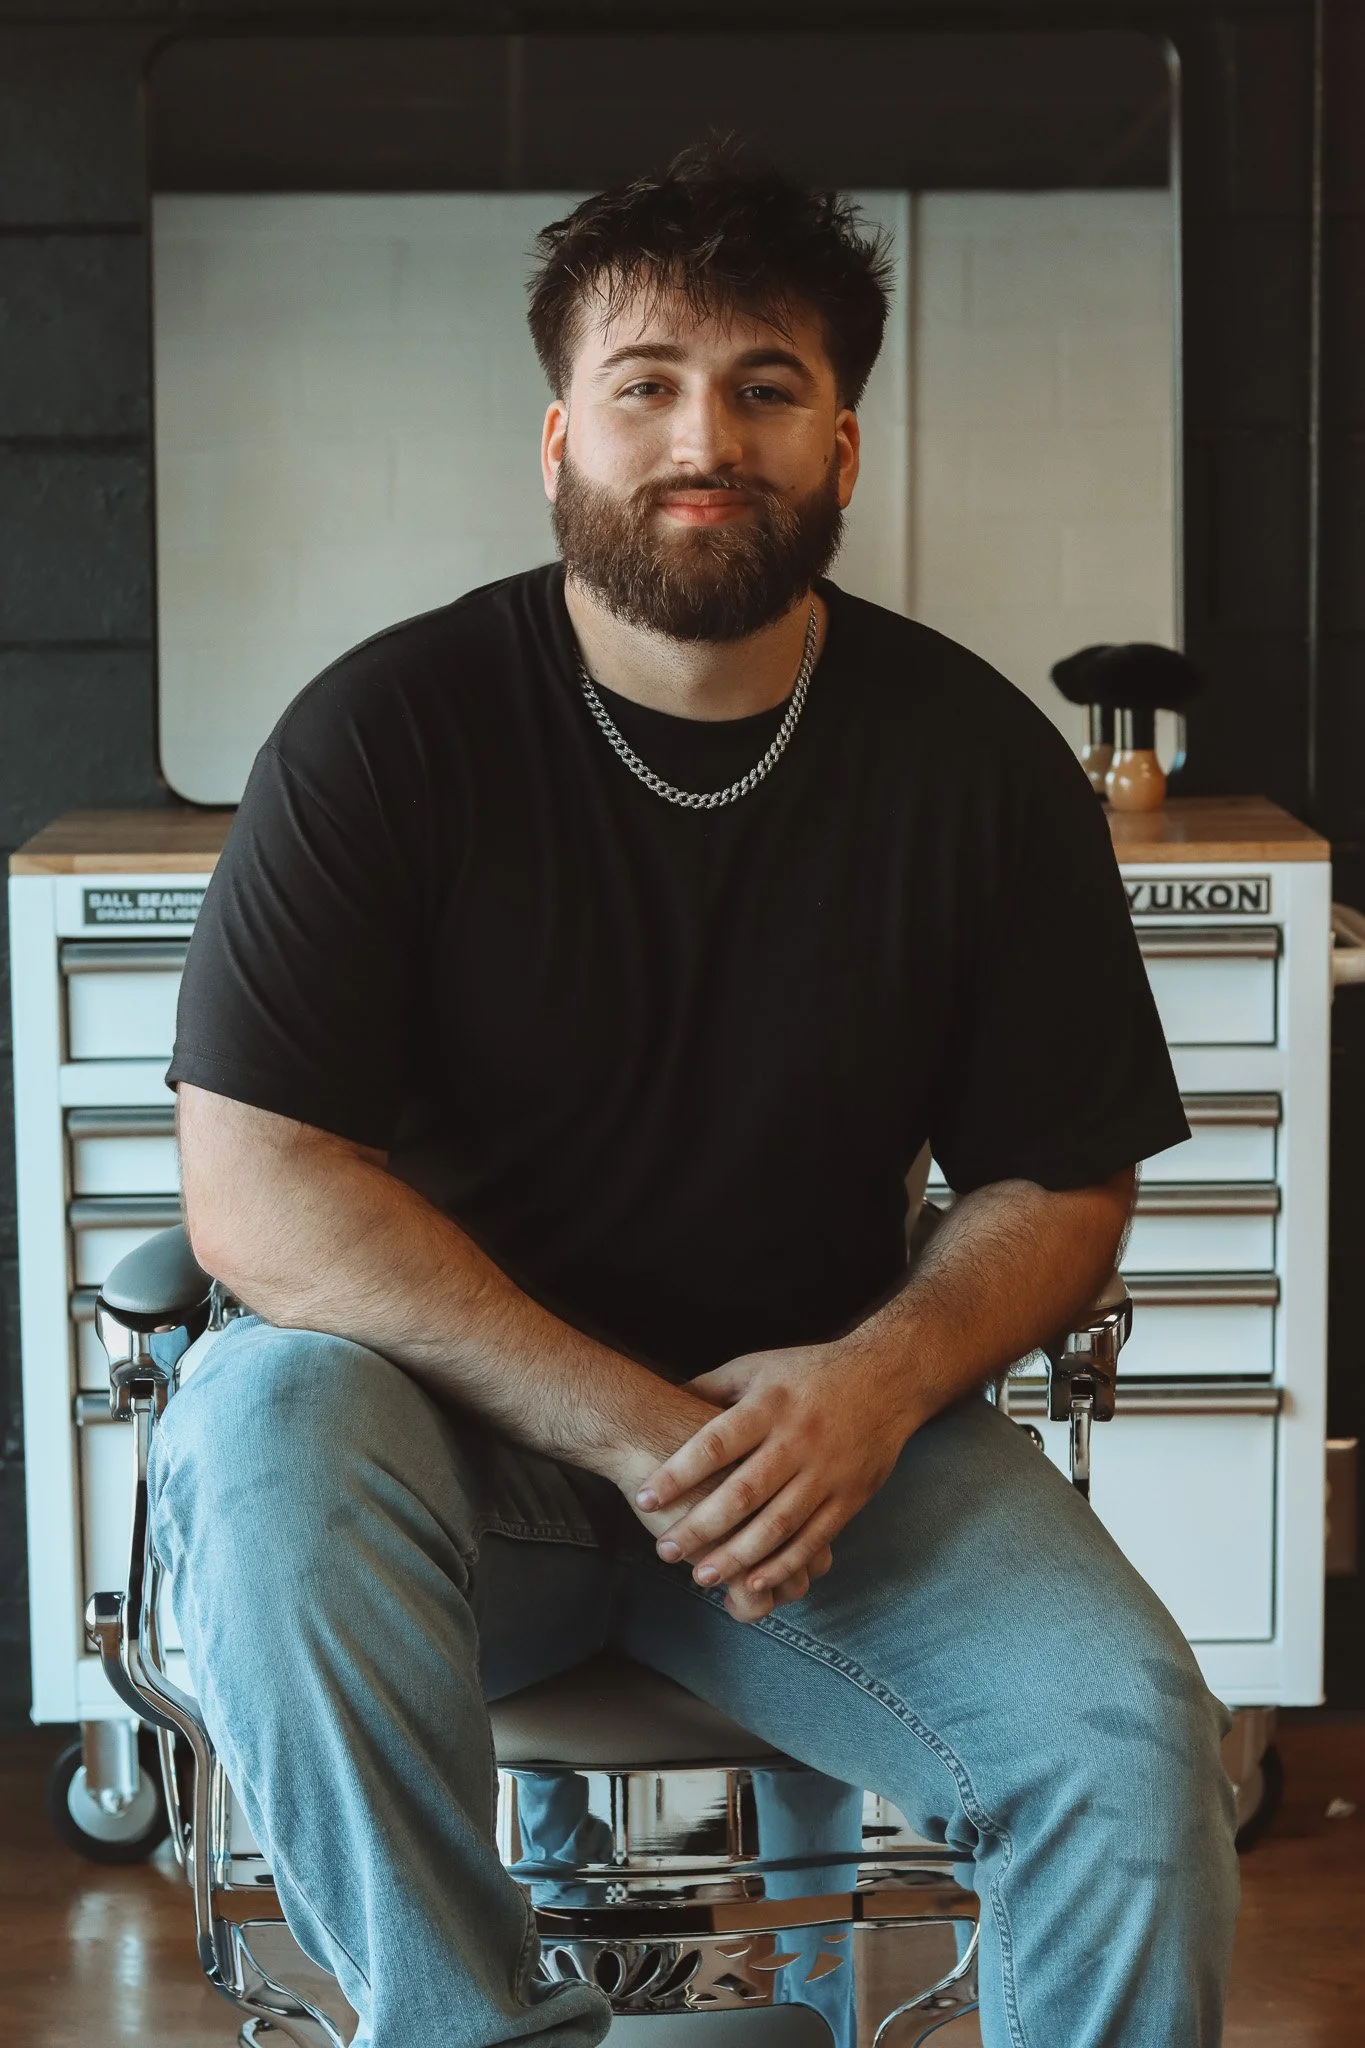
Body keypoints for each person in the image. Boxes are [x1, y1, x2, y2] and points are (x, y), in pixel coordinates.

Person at [151, 140, 1238, 2048]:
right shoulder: (383, 736)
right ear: (559, 437)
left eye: (766, 387)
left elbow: (1059, 1183)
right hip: (446, 1470)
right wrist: (642, 1434)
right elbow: (256, 1187)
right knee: (262, 1409)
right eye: (646, 384)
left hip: (828, 1453)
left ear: (842, 446)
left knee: (1129, 1752)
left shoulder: (976, 764)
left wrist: (881, 1381)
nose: (702, 436)